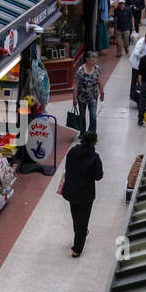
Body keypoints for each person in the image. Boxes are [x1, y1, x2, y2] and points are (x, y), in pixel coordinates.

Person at [62, 128, 104, 257]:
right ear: (93, 143)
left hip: (71, 190)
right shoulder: (94, 157)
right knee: (83, 219)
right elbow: (98, 176)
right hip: (85, 194)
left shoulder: (72, 152)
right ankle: (77, 249)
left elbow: (67, 167)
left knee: (75, 216)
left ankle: (81, 232)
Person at [72, 50, 104, 134]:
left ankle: (92, 133)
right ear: (87, 60)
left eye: (95, 59)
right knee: (82, 116)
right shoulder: (80, 70)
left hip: (93, 96)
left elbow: (99, 81)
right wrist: (74, 98)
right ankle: (82, 132)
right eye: (92, 59)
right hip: (82, 97)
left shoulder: (97, 69)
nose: (94, 61)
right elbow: (75, 85)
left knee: (93, 115)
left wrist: (102, 92)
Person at [129, 30, 146, 103]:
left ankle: (137, 93)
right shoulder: (140, 43)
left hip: (142, 64)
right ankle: (132, 95)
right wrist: (145, 57)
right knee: (134, 79)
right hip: (136, 64)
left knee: (140, 80)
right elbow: (136, 53)